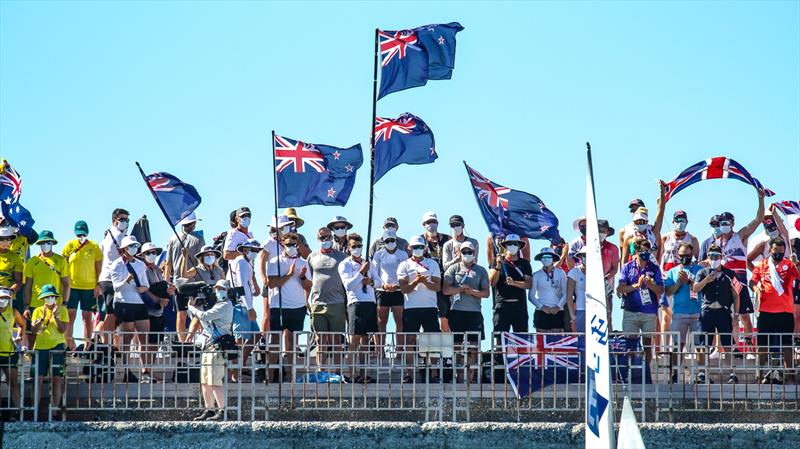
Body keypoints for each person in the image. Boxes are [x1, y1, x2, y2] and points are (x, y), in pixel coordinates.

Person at [699, 190, 765, 354]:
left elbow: (758, 219)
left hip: (739, 282)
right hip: (722, 282)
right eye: (721, 222)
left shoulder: (740, 236)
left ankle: (750, 349)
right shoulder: (715, 242)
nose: (724, 225)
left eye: (727, 222)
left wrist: (760, 198)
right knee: (722, 315)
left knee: (744, 316)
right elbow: (705, 261)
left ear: (733, 223)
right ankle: (720, 349)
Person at [750, 237, 798, 384]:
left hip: (785, 312)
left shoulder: (789, 264)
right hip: (765, 312)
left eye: (781, 252)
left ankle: (789, 376)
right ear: (770, 250)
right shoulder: (762, 264)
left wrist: (796, 262)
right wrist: (756, 288)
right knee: (762, 345)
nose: (778, 254)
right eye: (776, 251)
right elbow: (752, 281)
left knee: (787, 346)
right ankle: (759, 376)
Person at [442, 241, 489, 383]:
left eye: (470, 252)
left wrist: (472, 292)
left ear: (474, 253)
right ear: (459, 253)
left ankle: (471, 377)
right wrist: (460, 290)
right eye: (464, 252)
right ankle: (459, 376)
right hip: (456, 312)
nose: (467, 255)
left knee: (474, 347)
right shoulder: (452, 269)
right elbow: (445, 290)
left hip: (474, 313)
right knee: (456, 346)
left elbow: (486, 293)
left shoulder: (481, 270)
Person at [693, 244, 740, 384]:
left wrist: (736, 315)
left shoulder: (730, 274)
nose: (714, 259)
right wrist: (707, 280)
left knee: (727, 343)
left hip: (723, 311)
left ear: (721, 257)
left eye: (717, 256)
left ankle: (732, 373)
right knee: (703, 343)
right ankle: (702, 373)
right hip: (707, 311)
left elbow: (736, 295)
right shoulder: (702, 273)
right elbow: (695, 288)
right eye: (711, 256)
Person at [397, 235, 441, 383]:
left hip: (430, 307)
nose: (418, 250)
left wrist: (425, 281)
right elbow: (404, 289)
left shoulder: (432, 264)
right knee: (409, 340)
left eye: (420, 247)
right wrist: (417, 281)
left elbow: (437, 286)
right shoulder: (404, 265)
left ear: (425, 248)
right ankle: (409, 373)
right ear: (410, 249)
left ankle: (434, 374)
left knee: (432, 340)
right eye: (415, 247)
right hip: (411, 308)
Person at [266, 233, 311, 378]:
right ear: (282, 245)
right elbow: (271, 284)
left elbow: (308, 286)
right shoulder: (274, 261)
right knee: (275, 342)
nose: (292, 247)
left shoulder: (303, 263)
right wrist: (289, 274)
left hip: (297, 307)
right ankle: (270, 376)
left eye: (294, 244)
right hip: (278, 306)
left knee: (292, 343)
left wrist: (302, 277)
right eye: (288, 244)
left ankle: (292, 377)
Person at [189, 280, 234, 422]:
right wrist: (198, 307)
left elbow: (204, 316)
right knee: (205, 381)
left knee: (215, 380)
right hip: (208, 346)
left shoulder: (225, 305)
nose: (218, 291)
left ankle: (223, 410)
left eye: (222, 289)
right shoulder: (215, 305)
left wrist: (192, 308)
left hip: (217, 348)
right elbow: (204, 320)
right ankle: (209, 409)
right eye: (217, 288)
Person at [338, 233, 378, 383]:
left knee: (366, 340)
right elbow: (348, 285)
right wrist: (361, 272)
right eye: (354, 246)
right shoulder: (345, 264)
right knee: (354, 339)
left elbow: (378, 282)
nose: (357, 249)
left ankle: (364, 373)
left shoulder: (369, 262)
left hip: (370, 302)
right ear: (348, 248)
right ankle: (349, 374)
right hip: (355, 303)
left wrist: (371, 281)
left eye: (359, 246)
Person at [306, 227, 347, 373]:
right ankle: (320, 370)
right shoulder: (312, 257)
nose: (325, 240)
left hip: (337, 303)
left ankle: (337, 371)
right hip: (317, 303)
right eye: (322, 237)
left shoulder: (342, 257)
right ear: (318, 239)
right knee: (320, 340)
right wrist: (307, 300)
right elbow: (308, 280)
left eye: (328, 237)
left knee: (336, 340)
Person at [658, 210, 700, 352]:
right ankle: (665, 347)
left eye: (682, 220)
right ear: (673, 221)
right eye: (677, 220)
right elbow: (659, 257)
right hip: (668, 275)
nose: (680, 223)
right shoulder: (665, 237)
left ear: (687, 221)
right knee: (666, 315)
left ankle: (690, 351)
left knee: (687, 316)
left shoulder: (692, 238)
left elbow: (698, 258)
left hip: (689, 278)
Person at [110, 236, 149, 383]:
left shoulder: (140, 264)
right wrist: (126, 280)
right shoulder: (117, 264)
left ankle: (145, 370)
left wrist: (143, 288)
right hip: (124, 302)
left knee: (144, 337)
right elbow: (116, 287)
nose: (133, 248)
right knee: (126, 339)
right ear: (124, 249)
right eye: (131, 246)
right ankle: (126, 370)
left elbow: (146, 284)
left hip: (139, 303)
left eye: (135, 245)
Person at [618, 237, 663, 364]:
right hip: (631, 311)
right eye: (643, 251)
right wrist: (636, 286)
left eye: (648, 251)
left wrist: (650, 285)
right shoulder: (627, 267)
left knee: (648, 345)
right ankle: (631, 372)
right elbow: (620, 288)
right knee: (630, 346)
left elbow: (660, 290)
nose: (646, 254)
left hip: (649, 312)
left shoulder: (654, 268)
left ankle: (646, 372)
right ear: (636, 252)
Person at [662, 243, 702, 383]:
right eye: (682, 256)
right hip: (679, 312)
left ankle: (700, 374)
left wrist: (689, 281)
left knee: (699, 345)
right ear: (678, 256)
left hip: (697, 311)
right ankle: (676, 374)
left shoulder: (700, 269)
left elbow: (701, 288)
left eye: (688, 255)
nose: (685, 258)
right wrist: (679, 282)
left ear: (692, 255)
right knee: (678, 344)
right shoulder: (673, 271)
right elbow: (668, 292)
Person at [23, 230, 70, 348]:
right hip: (35, 302)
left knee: (56, 331)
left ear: (52, 243)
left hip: (54, 303)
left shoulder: (61, 260)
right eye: (43, 243)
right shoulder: (32, 261)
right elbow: (27, 285)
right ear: (39, 244)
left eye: (48, 242)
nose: (45, 245)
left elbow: (67, 284)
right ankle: (34, 359)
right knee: (33, 333)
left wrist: (64, 303)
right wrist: (26, 306)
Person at [163, 212, 205, 342]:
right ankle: (189, 340)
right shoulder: (199, 239)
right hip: (194, 282)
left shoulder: (172, 239)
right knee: (197, 312)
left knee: (181, 313)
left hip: (177, 282)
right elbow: (202, 262)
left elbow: (168, 263)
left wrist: (166, 283)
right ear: (194, 223)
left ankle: (183, 342)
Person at [61, 221, 103, 348]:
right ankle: (68, 344)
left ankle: (87, 345)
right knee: (70, 315)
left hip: (89, 287)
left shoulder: (94, 247)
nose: (81, 236)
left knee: (87, 317)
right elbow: (62, 264)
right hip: (72, 286)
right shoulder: (69, 245)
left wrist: (98, 285)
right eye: (79, 234)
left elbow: (99, 269)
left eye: (83, 234)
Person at [29, 284, 68, 419]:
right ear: (43, 299)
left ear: (56, 297)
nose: (49, 299)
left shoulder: (62, 310)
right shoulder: (37, 311)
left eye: (51, 296)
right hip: (40, 347)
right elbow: (34, 330)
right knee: (37, 379)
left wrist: (56, 316)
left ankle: (55, 411)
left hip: (57, 345)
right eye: (47, 297)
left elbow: (63, 329)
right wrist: (43, 317)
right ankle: (35, 411)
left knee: (57, 378)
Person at [138, 242, 174, 383]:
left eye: (153, 252)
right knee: (145, 342)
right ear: (142, 255)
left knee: (154, 343)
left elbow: (162, 287)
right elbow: (143, 289)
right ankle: (144, 371)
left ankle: (149, 371)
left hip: (159, 311)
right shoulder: (142, 270)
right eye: (148, 253)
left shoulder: (158, 271)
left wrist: (169, 291)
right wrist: (158, 299)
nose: (151, 255)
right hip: (147, 309)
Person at [227, 238, 261, 376]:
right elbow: (241, 285)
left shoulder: (247, 263)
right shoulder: (241, 262)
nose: (255, 253)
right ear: (245, 250)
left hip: (245, 304)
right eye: (252, 250)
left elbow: (247, 285)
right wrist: (249, 307)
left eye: (256, 250)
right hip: (241, 305)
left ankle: (241, 364)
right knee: (239, 338)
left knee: (256, 334)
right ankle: (234, 371)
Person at [489, 234, 532, 340]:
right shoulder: (497, 260)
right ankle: (499, 357)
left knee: (521, 338)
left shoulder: (524, 264)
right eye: (509, 244)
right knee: (499, 339)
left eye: (515, 244)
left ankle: (520, 357)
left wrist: (515, 283)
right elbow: (492, 282)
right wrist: (498, 267)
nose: (512, 246)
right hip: (502, 306)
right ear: (505, 246)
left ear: (519, 246)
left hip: (519, 305)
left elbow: (528, 284)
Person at [371, 230, 409, 352]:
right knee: (381, 321)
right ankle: (379, 350)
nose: (390, 242)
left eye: (392, 240)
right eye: (387, 241)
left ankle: (399, 349)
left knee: (400, 321)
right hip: (382, 291)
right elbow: (375, 273)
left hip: (398, 291)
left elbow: (405, 272)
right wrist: (383, 285)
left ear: (396, 241)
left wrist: (397, 286)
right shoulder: (378, 254)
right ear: (383, 242)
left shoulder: (403, 254)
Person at [97, 208, 130, 342]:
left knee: (113, 313)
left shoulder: (107, 236)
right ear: (114, 221)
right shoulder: (120, 237)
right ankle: (106, 344)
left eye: (127, 220)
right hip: (111, 279)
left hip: (107, 279)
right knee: (111, 313)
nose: (125, 222)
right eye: (122, 219)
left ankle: (107, 342)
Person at [419, 212, 452, 332]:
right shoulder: (420, 240)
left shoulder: (447, 239)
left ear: (437, 223)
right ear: (423, 224)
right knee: (428, 312)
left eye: (433, 222)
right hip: (427, 281)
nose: (431, 224)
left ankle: (447, 342)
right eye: (428, 222)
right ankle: (429, 344)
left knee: (445, 314)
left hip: (444, 279)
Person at [258, 215, 293, 321]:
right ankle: (264, 337)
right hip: (272, 280)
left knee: (285, 313)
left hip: (287, 280)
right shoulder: (268, 242)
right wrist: (264, 279)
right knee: (268, 313)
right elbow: (262, 262)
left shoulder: (288, 242)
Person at [529, 248, 568, 332]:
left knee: (557, 342)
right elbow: (531, 296)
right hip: (541, 312)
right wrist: (542, 307)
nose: (546, 259)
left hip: (558, 311)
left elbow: (566, 293)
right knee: (541, 342)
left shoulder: (561, 273)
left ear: (553, 258)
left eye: (548, 256)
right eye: (543, 257)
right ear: (540, 259)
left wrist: (558, 306)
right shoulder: (536, 275)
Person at [0, 287, 25, 417]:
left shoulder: (13, 312)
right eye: (1, 298)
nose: (3, 300)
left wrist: (19, 336)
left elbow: (22, 324)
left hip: (10, 352)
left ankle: (19, 412)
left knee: (13, 383)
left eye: (6, 298)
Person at [598, 220, 620, 328]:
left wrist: (605, 278)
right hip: (589, 287)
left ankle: (609, 338)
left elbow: (615, 268)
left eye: (603, 230)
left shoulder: (613, 248)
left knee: (607, 315)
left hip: (607, 287)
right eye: (599, 230)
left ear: (607, 232)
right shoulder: (587, 247)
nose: (601, 232)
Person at [0, 226, 23, 314]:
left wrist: (9, 292)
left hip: (7, 296)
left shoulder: (16, 258)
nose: (5, 242)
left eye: (8, 239)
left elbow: (18, 282)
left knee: (7, 323)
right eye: (2, 239)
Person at [566, 249, 587, 333]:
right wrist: (572, 314)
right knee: (581, 336)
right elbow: (569, 294)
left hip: (596, 309)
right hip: (580, 308)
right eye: (584, 256)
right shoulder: (574, 272)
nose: (587, 258)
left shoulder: (598, 272)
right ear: (581, 257)